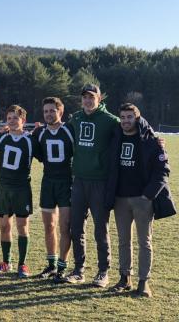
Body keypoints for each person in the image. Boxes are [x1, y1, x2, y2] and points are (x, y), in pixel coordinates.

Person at [106, 103, 172, 297]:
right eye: (123, 117)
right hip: (120, 199)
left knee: (145, 242)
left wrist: (147, 196)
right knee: (123, 241)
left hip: (143, 199)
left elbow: (163, 171)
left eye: (129, 117)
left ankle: (144, 282)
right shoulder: (115, 137)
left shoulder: (150, 140)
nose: (126, 121)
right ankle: (124, 278)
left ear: (137, 118)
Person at [65, 84, 119, 287]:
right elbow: (61, 135)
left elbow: (132, 130)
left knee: (100, 229)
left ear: (99, 98)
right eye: (85, 97)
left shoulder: (110, 120)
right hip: (79, 180)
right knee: (76, 227)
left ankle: (103, 271)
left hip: (100, 182)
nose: (88, 100)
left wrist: (154, 139)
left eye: (91, 97)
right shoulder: (76, 118)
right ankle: (79, 270)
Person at [0, 105, 37, 278]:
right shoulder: (3, 138)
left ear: (23, 120)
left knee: (22, 226)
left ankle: (22, 265)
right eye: (9, 118)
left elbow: (44, 156)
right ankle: (5, 262)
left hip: (22, 188)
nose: (12, 121)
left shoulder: (31, 140)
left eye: (15, 118)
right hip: (3, 188)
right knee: (4, 226)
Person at [33, 97, 74, 282]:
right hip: (48, 183)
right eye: (46, 111)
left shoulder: (70, 130)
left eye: (52, 110)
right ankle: (51, 264)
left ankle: (62, 267)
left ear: (60, 111)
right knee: (49, 226)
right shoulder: (39, 133)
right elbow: (36, 153)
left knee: (65, 227)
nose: (49, 114)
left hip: (67, 184)